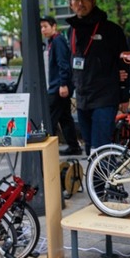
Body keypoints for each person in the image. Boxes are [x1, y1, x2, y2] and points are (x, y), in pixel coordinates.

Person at [66, 0, 129, 153]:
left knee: (100, 146)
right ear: (71, 4)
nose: (81, 3)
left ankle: (103, 179)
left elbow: (125, 63)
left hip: (105, 96)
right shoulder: (70, 31)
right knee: (89, 146)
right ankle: (97, 179)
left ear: (93, 2)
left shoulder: (111, 29)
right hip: (82, 98)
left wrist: (124, 95)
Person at [41, 16, 82, 156]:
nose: (43, 30)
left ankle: (48, 150)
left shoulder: (58, 41)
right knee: (65, 117)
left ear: (54, 26)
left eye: (45, 26)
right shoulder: (55, 41)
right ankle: (74, 146)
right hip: (59, 86)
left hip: (58, 87)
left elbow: (63, 64)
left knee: (50, 118)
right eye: (41, 27)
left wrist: (63, 84)